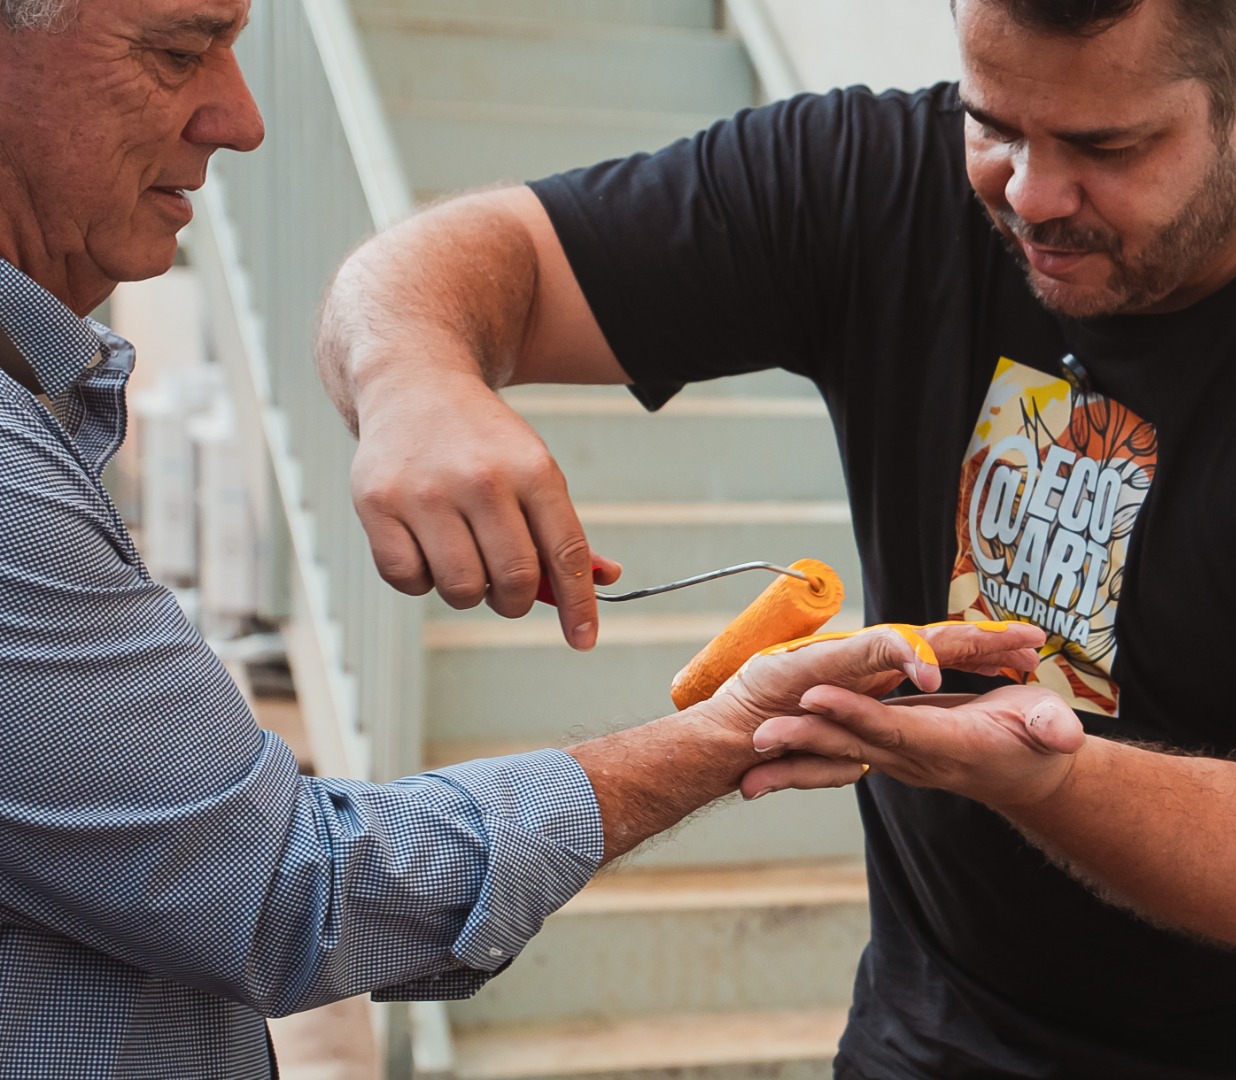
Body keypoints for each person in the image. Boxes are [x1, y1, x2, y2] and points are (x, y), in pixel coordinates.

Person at [316, 0, 1236, 1076]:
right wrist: (415, 377)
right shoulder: (871, 177)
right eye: (994, 123)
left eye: (1106, 146)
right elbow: (449, 267)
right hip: (946, 1035)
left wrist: (1042, 775)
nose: (1031, 196)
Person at [0, 1, 1049, 1076]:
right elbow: (282, 891)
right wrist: (723, 736)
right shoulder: (866, 175)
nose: (244, 118)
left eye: (1112, 145)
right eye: (177, 52)